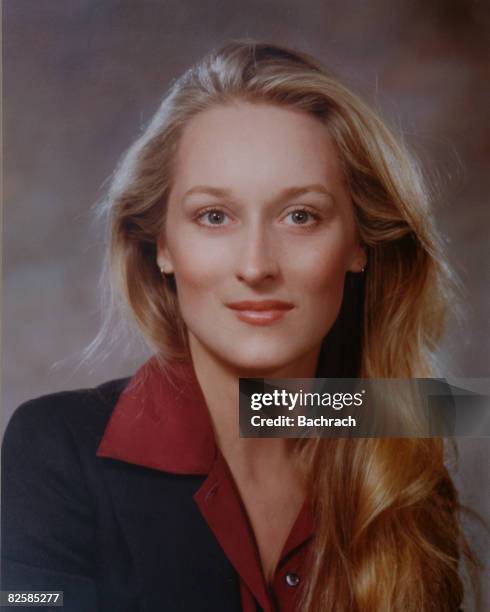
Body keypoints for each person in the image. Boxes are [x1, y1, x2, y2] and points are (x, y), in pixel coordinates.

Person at [2, 40, 475, 612]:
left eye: (300, 216)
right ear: (161, 246)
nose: (255, 266)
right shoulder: (56, 449)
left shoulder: (402, 464)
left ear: (359, 245)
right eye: (214, 216)